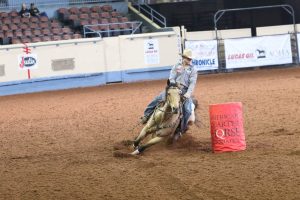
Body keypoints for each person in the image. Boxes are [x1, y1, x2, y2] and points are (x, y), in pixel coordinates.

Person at [140, 48, 198, 136]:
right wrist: (174, 86)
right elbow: (171, 77)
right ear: (184, 57)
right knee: (157, 99)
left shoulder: (193, 69)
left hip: (185, 91)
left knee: (187, 110)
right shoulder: (177, 66)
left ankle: (181, 129)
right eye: (188, 58)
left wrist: (188, 93)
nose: (190, 60)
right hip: (173, 89)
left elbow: (192, 83)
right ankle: (146, 115)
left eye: (190, 59)